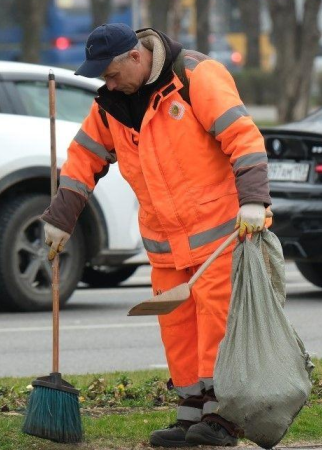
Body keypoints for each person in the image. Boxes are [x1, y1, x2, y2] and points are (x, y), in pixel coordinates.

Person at [41, 23, 271, 447]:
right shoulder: (112, 104)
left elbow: (243, 137)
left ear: (136, 56)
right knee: (177, 330)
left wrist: (254, 200)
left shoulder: (195, 77)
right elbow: (83, 158)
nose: (108, 84)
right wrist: (60, 218)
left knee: (217, 327)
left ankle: (223, 418)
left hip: (220, 236)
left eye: (111, 74)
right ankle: (191, 414)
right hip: (165, 245)